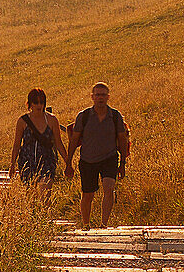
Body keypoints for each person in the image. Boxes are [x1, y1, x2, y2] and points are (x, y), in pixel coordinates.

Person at [66, 82, 129, 229]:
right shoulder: (84, 116)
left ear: (108, 97)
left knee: (109, 188)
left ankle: (104, 224)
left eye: (103, 95)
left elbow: (122, 139)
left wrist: (123, 164)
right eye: (97, 95)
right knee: (88, 194)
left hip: (110, 158)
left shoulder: (115, 116)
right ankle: (86, 224)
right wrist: (68, 162)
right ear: (92, 97)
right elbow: (74, 140)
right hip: (88, 160)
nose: (100, 98)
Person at [9, 88, 68, 195]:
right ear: (30, 104)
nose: (39, 105)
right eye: (35, 102)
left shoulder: (51, 120)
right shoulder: (22, 121)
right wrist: (12, 164)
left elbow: (59, 143)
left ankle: (46, 211)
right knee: (31, 197)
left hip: (47, 161)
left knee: (45, 193)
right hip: (27, 162)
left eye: (42, 102)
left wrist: (68, 163)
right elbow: (17, 144)